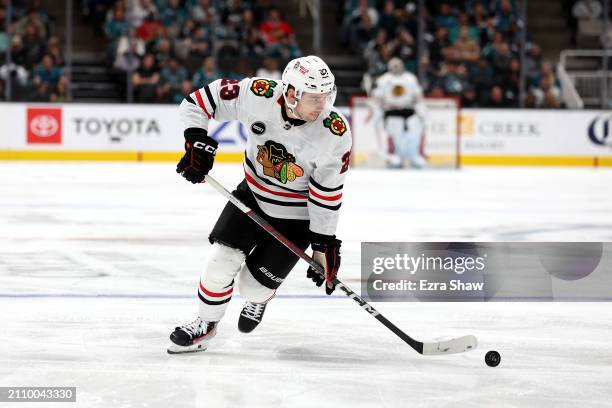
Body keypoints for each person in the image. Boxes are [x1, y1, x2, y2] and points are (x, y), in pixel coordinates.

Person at [168, 55, 352, 354]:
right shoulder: (258, 94)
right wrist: (196, 140)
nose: (323, 106)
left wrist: (322, 244)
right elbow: (198, 101)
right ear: (291, 94)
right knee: (219, 263)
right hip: (251, 196)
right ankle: (206, 324)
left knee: (252, 286)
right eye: (315, 98)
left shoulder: (334, 133)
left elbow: (327, 193)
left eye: (327, 96)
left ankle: (259, 299)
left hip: (297, 219)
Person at [372, 57, 426, 168]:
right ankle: (395, 157)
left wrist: (419, 107)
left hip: (409, 110)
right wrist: (383, 107)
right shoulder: (383, 80)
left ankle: (414, 156)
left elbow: (418, 95)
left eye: (398, 65)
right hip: (392, 112)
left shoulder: (410, 78)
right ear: (389, 66)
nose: (396, 67)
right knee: (396, 136)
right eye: (394, 65)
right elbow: (376, 97)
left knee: (415, 133)